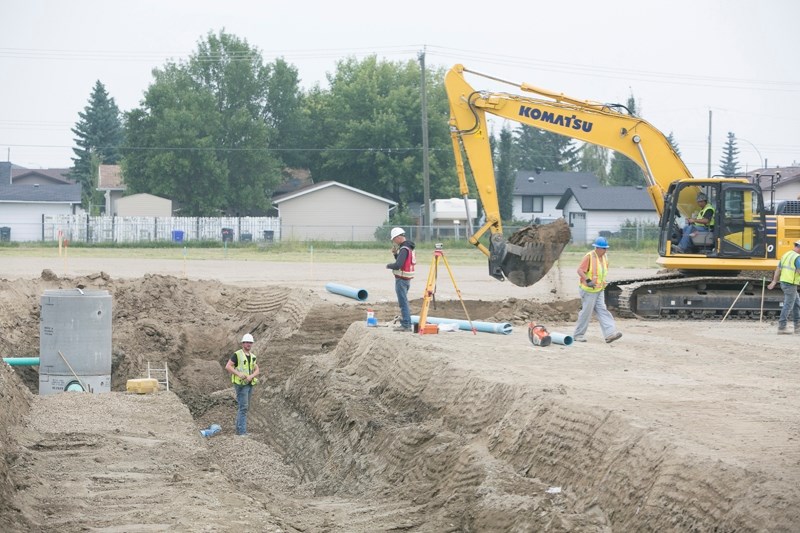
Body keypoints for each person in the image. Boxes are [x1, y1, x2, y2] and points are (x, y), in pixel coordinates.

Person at [572, 236, 623, 344]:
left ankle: (610, 334)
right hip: (588, 291)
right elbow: (580, 270)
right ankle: (578, 335)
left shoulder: (605, 257)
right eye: (604, 248)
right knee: (586, 313)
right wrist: (588, 280)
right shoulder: (589, 256)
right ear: (597, 248)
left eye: (606, 248)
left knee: (602, 310)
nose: (605, 250)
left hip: (599, 289)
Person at [225, 333, 260, 435]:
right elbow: (228, 366)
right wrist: (239, 374)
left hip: (249, 383)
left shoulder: (253, 356)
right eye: (247, 342)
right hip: (241, 385)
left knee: (244, 408)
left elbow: (257, 369)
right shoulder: (237, 354)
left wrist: (251, 376)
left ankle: (239, 430)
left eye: (250, 342)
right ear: (243, 343)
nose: (249, 344)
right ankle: (242, 432)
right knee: (243, 408)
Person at [386, 227, 416, 332]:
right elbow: (403, 262)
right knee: (404, 302)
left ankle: (406, 324)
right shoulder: (409, 247)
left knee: (403, 303)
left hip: (401, 280)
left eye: (394, 239)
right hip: (406, 279)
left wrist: (388, 266)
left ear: (398, 237)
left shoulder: (404, 249)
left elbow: (398, 265)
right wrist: (395, 254)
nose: (394, 241)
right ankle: (406, 323)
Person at [767, 240, 800, 335]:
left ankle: (797, 327)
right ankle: (782, 327)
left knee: (796, 304)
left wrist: (774, 281)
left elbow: (778, 269)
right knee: (788, 305)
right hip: (790, 284)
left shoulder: (787, 254)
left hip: (785, 283)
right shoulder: (797, 258)